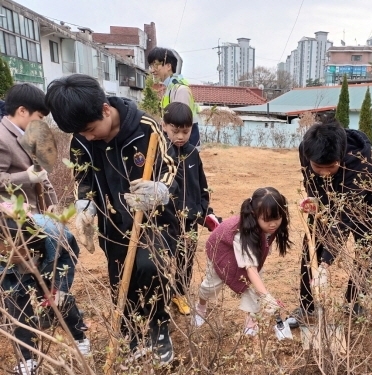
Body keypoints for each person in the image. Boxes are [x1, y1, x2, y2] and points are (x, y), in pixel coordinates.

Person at [44, 74, 180, 365]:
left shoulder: (145, 128)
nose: (89, 137)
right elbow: (82, 175)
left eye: (91, 130)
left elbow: (171, 169)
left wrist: (162, 189)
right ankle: (132, 333)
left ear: (106, 110)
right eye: (82, 133)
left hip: (154, 221)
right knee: (121, 278)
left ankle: (158, 329)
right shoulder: (82, 137)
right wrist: (85, 205)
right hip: (113, 223)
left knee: (149, 268)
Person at [290, 118, 372, 326]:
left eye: (330, 167)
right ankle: (308, 306)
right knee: (311, 247)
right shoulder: (306, 149)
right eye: (317, 167)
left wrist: (325, 264)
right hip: (325, 200)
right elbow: (311, 180)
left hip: (363, 202)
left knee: (370, 249)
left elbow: (345, 216)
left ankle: (354, 304)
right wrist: (313, 198)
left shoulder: (360, 160)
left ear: (339, 158)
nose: (323, 173)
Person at [193, 187, 292, 335]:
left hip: (250, 252)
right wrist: (267, 297)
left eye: (277, 219)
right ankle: (201, 306)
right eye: (267, 220)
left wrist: (263, 294)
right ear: (254, 214)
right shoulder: (241, 232)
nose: (273, 224)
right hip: (222, 251)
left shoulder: (271, 225)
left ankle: (251, 322)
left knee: (254, 286)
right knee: (211, 286)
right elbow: (250, 269)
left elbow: (253, 270)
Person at [0, 212, 90, 373]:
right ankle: (27, 358)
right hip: (13, 275)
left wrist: (61, 285)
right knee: (17, 310)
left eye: (12, 252)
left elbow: (69, 254)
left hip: (47, 263)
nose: (6, 256)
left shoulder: (53, 234)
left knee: (60, 300)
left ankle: (79, 338)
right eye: (4, 252)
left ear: (26, 244)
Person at [160, 102, 221, 316]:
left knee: (185, 261)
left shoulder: (193, 154)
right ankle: (161, 296)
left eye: (185, 131)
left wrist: (205, 209)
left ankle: (180, 293)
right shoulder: (161, 155)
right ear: (164, 125)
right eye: (175, 131)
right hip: (166, 221)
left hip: (190, 222)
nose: (180, 137)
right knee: (164, 258)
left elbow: (201, 186)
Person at [0, 83, 56, 213]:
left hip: (35, 214)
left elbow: (41, 174)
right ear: (22, 111)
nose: (41, 122)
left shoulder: (30, 134)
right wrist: (27, 177)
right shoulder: (2, 138)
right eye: (40, 117)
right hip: (13, 220)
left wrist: (52, 203)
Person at [147, 47, 201, 148]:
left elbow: (181, 124)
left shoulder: (180, 90)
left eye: (155, 65)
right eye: (151, 66)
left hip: (185, 149)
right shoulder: (170, 88)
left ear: (168, 66)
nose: (152, 70)